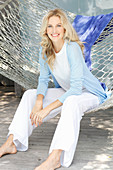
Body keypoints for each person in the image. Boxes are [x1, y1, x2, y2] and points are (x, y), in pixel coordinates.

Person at [0, 9, 110, 170]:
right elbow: (43, 79)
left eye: (58, 25)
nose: (54, 30)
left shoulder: (72, 48)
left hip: (90, 93)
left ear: (65, 28)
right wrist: (39, 103)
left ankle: (55, 157)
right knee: (31, 94)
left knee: (71, 102)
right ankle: (11, 142)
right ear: (45, 29)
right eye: (50, 26)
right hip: (68, 91)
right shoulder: (45, 49)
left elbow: (76, 89)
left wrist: (46, 110)